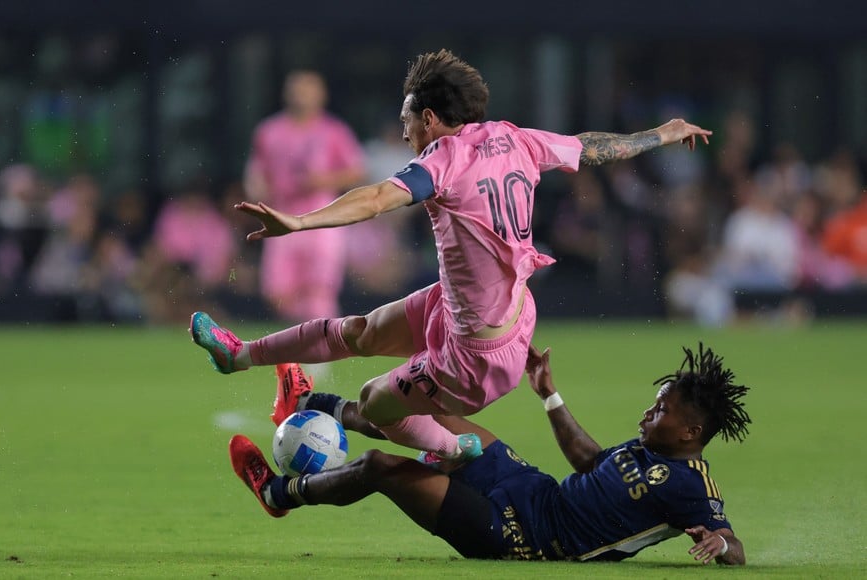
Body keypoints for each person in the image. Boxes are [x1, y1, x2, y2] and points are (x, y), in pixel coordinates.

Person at [191, 48, 713, 462]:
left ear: (432, 118)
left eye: (407, 121)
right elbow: (590, 146)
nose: (403, 133)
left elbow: (375, 199)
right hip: (476, 309)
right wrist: (660, 135)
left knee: (375, 400)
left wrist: (299, 221)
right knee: (360, 331)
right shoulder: (513, 137)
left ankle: (450, 449)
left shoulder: (444, 158)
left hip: (474, 357)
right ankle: (236, 357)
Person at [228, 343, 749, 564]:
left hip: (525, 536)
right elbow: (590, 461)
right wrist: (549, 394)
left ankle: (279, 493)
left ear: (691, 432)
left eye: (660, 411)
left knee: (380, 469)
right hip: (531, 488)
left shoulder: (691, 485)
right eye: (653, 404)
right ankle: (309, 402)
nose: (647, 414)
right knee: (428, 414)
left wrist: (720, 548)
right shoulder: (646, 448)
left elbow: (733, 545)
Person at [243, 69, 366, 321]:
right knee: (278, 291)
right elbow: (256, 171)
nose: (301, 96)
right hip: (281, 214)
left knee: (319, 289)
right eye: (296, 89)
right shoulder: (269, 131)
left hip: (322, 216)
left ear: (321, 95)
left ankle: (321, 353)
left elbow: (357, 171)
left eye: (308, 89)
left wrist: (324, 180)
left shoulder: (334, 131)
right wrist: (257, 191)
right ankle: (299, 342)